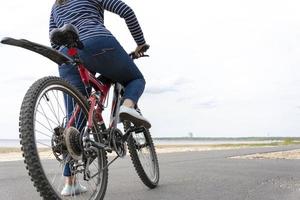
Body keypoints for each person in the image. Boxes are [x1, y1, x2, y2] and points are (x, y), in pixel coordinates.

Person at [49, 0, 151, 196]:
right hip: (98, 42)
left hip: (66, 56)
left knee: (75, 122)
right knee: (136, 79)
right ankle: (128, 107)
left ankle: (70, 184)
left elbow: (54, 40)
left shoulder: (56, 5)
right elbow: (126, 11)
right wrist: (140, 43)